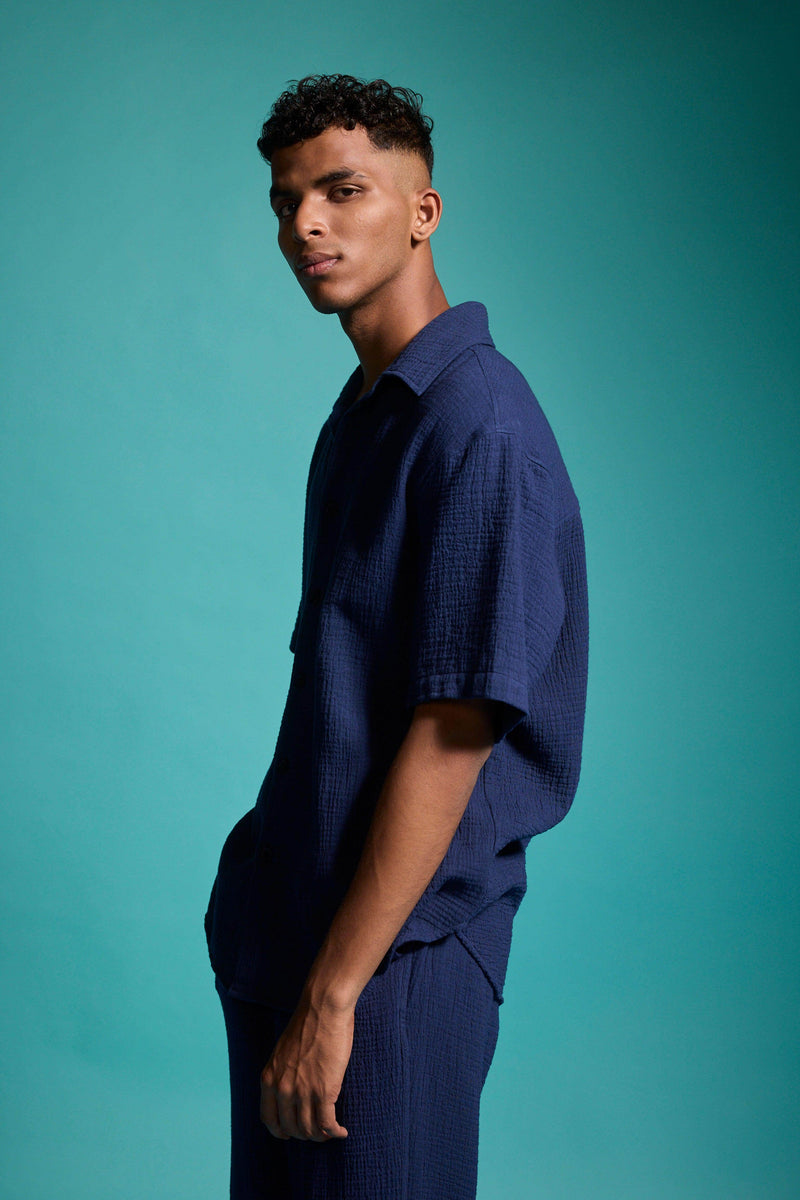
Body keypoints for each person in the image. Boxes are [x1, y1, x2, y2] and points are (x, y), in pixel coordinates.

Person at [204, 74, 589, 1200]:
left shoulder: (481, 425)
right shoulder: (365, 415)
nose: (305, 225)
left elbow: (454, 734)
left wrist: (335, 998)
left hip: (393, 960)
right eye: (286, 201)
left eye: (342, 191)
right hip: (290, 929)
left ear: (423, 212)